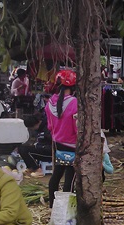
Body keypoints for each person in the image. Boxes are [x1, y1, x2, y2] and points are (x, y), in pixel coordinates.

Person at [45, 69, 78, 206]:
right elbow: (77, 127)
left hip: (58, 143)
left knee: (57, 174)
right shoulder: (74, 102)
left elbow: (49, 127)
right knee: (70, 177)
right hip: (72, 145)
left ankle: (52, 205)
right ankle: (65, 208)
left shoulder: (49, 103)